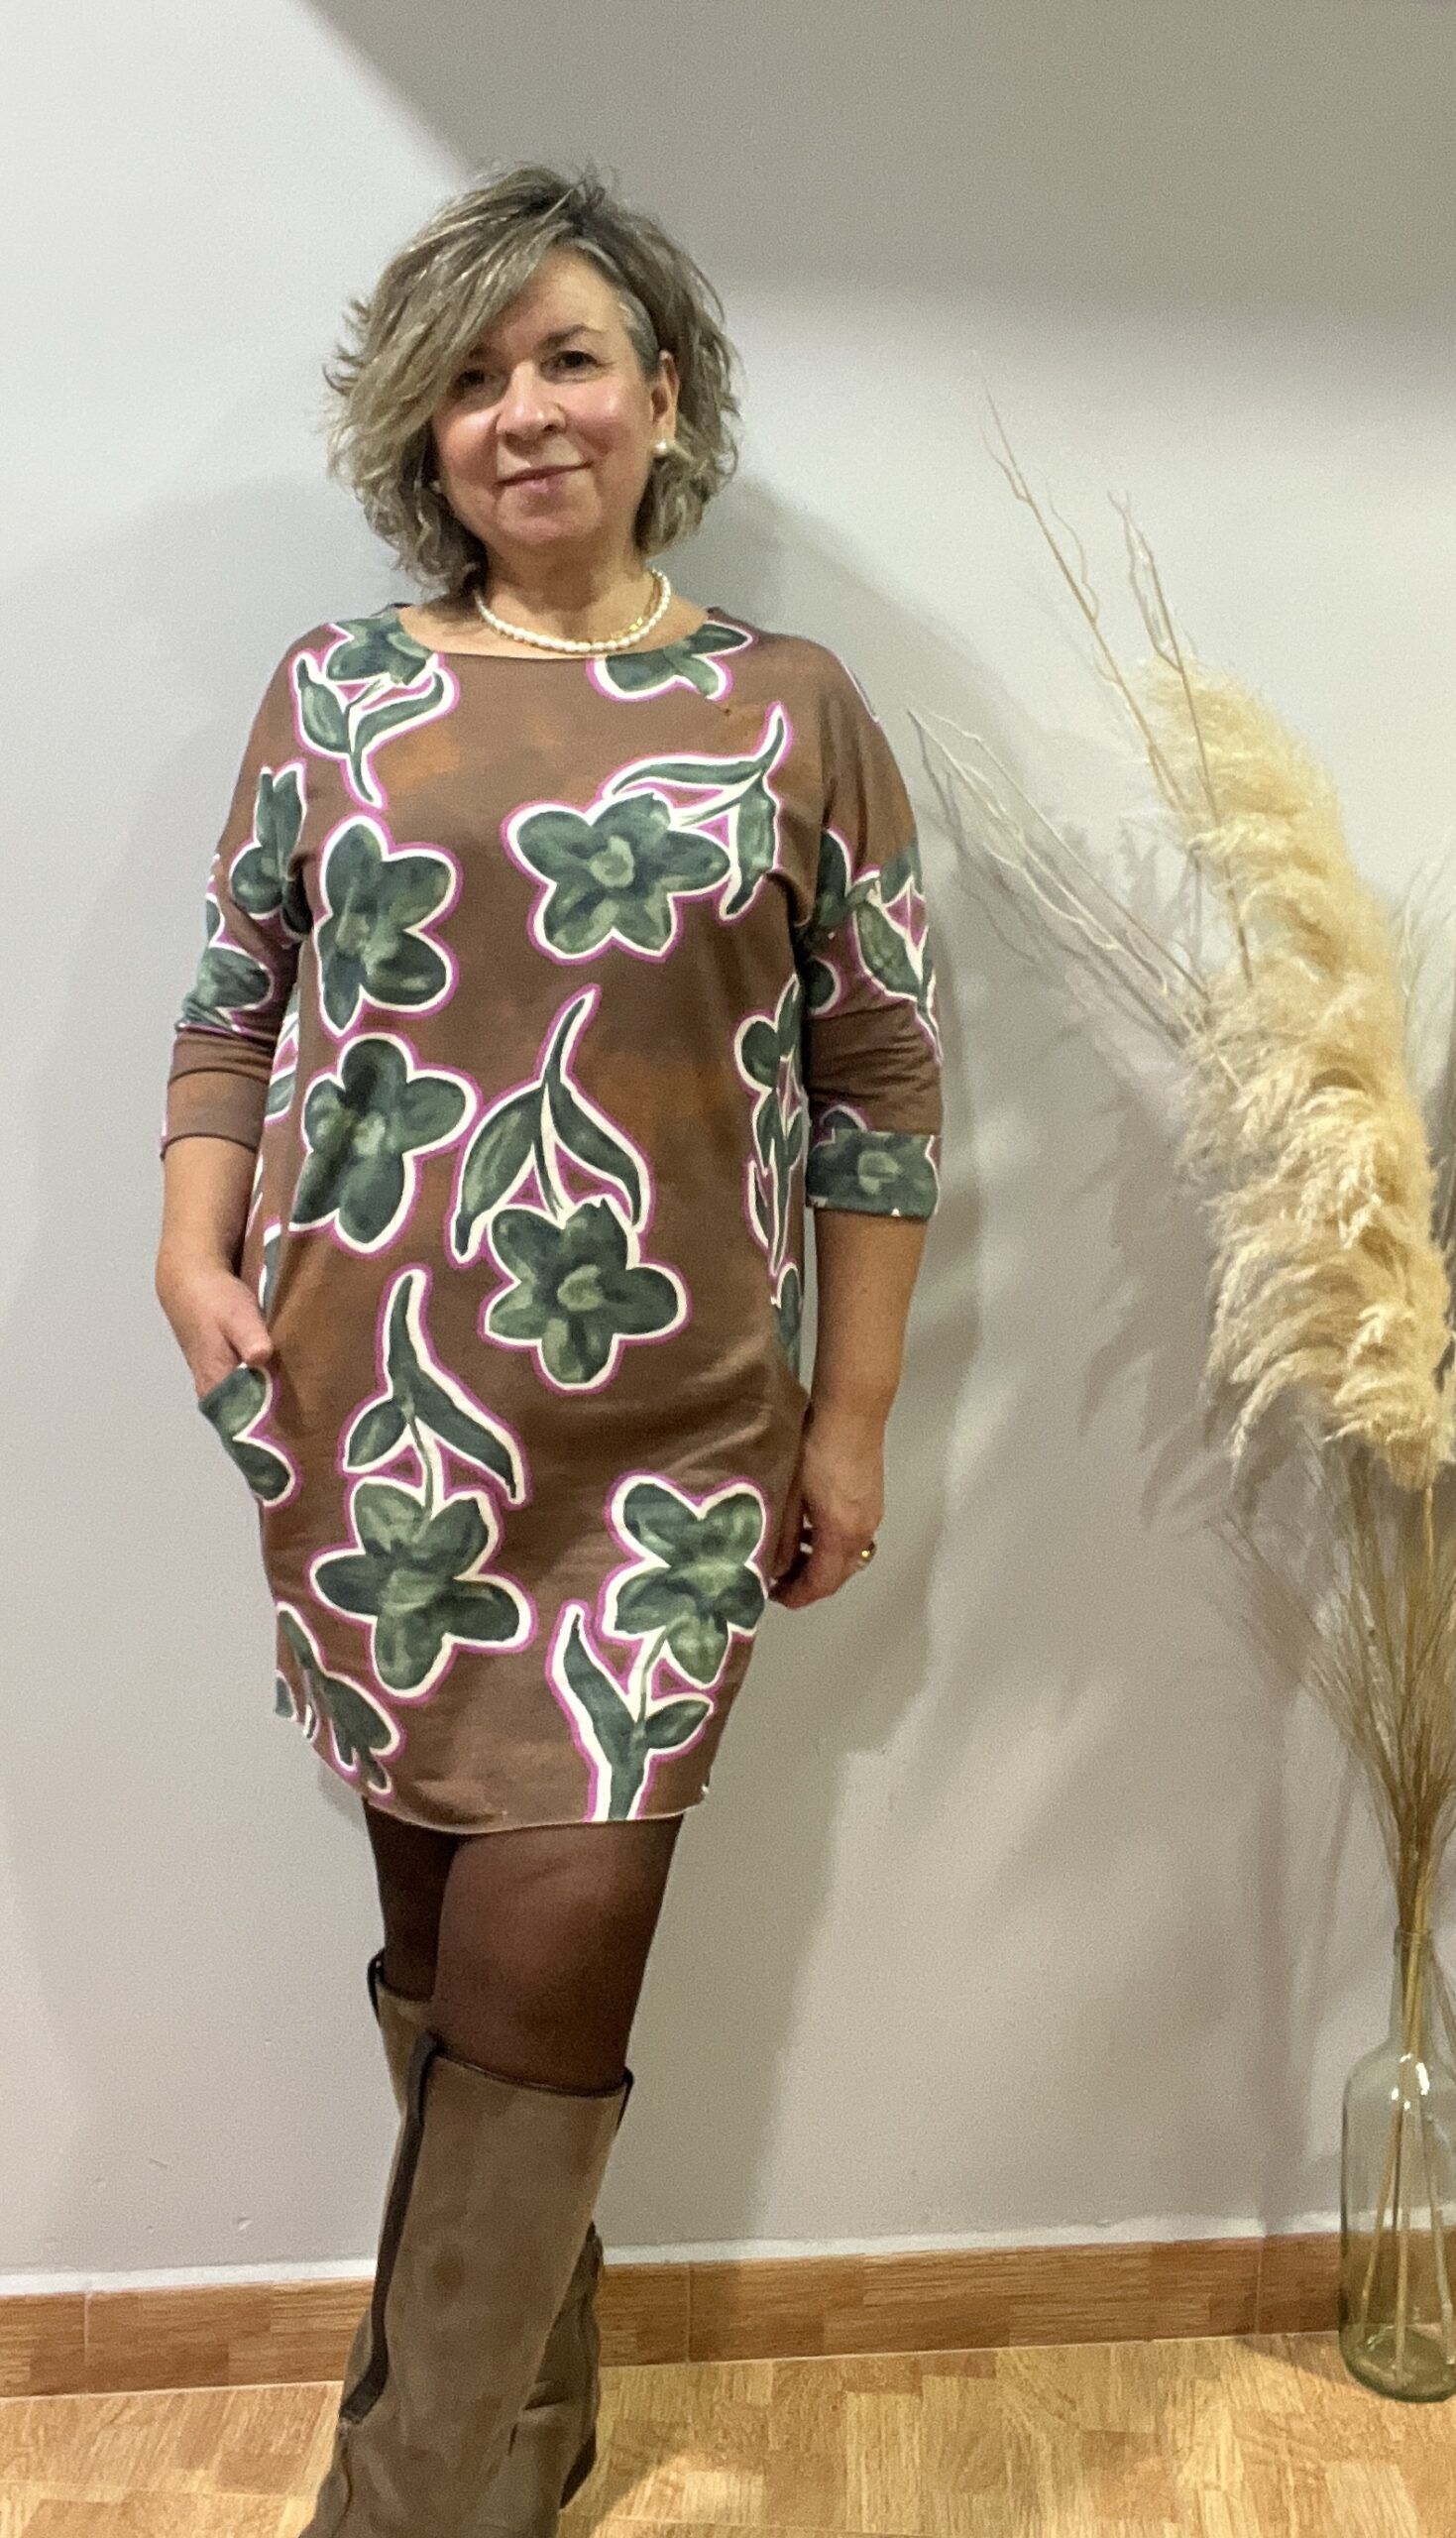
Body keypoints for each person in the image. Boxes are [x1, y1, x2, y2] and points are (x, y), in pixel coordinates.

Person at [153, 161, 944, 2537]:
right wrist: (192, 1248)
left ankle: (396, 2506)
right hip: (377, 1427)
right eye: (476, 376)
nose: (528, 410)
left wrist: (853, 1409)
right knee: (445, 1960)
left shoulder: (790, 710)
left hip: (667, 1449)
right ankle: (515, 2452)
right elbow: (235, 995)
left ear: (662, 396)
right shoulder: (341, 694)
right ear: (427, 430)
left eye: (571, 357)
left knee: (549, 1960)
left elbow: (881, 1077)